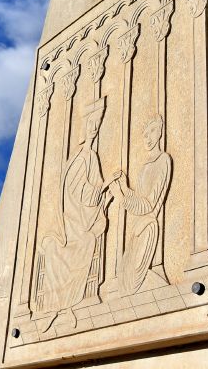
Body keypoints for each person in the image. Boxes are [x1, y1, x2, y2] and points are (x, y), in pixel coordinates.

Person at [36, 99, 115, 330]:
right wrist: (105, 186)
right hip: (74, 220)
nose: (94, 128)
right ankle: (61, 306)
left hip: (84, 218)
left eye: (97, 124)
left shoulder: (92, 156)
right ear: (84, 125)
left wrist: (104, 192)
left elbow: (92, 192)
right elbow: (80, 192)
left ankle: (64, 307)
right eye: (91, 123)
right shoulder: (81, 157)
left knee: (88, 240)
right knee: (83, 243)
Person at [108, 116, 172, 295]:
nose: (148, 137)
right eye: (145, 134)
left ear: (160, 131)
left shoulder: (164, 160)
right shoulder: (145, 166)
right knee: (125, 281)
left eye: (152, 131)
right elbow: (139, 198)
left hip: (148, 227)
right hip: (137, 229)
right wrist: (124, 187)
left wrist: (121, 198)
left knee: (134, 282)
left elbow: (148, 205)